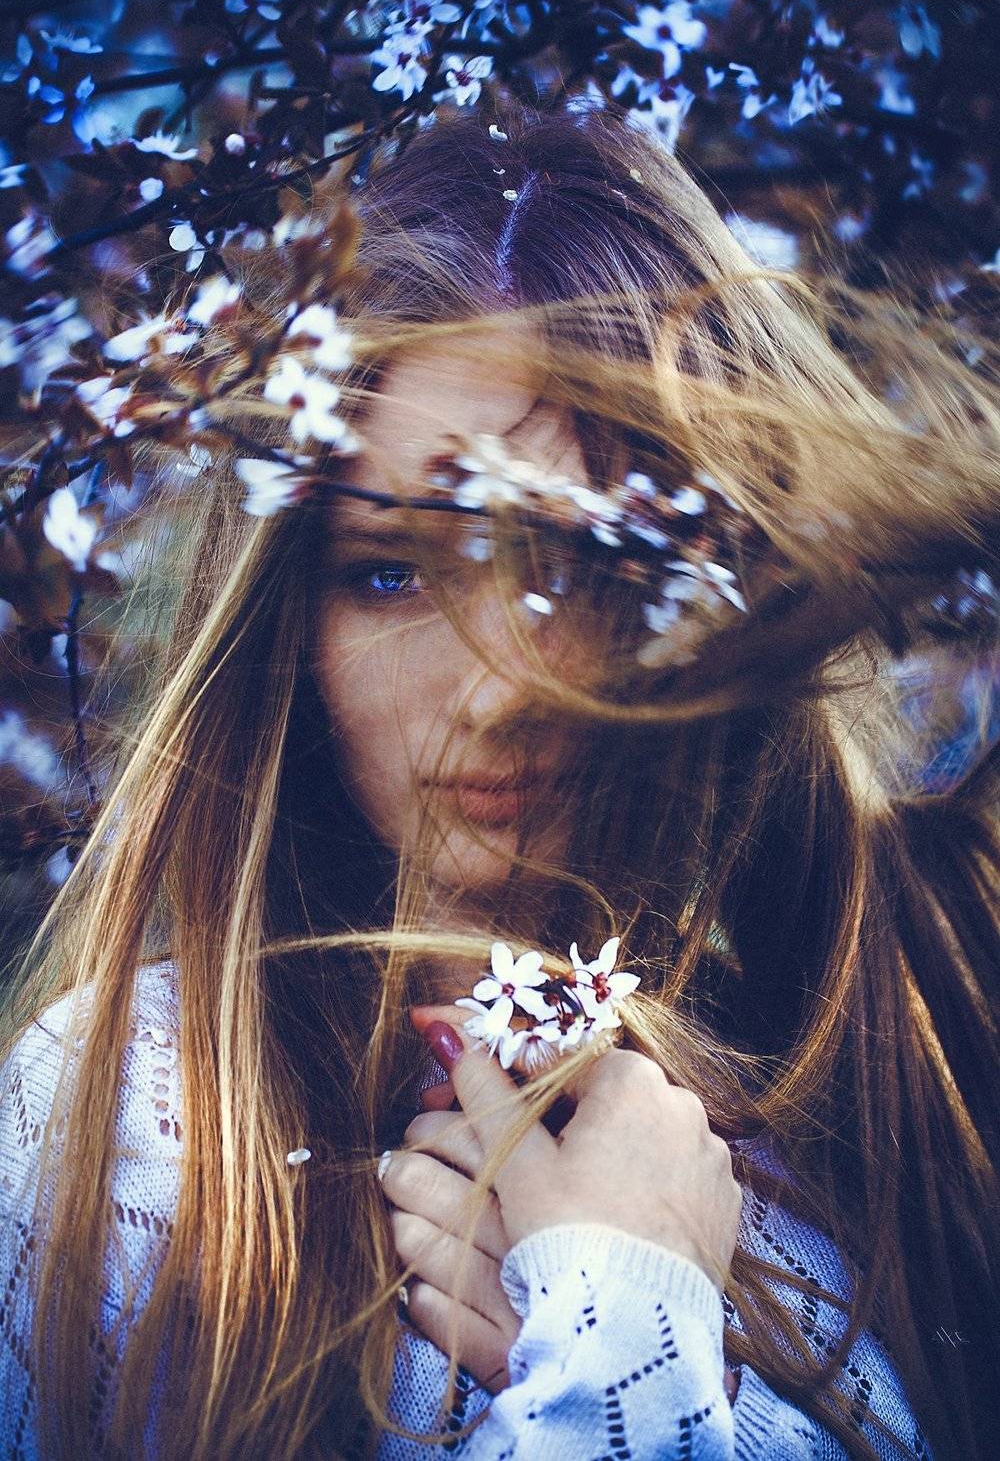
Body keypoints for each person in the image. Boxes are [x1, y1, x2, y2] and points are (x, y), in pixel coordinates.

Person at [1, 103, 997, 1460]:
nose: (496, 687)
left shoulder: (887, 1070)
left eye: (583, 567)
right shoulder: (138, 1136)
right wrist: (630, 1344)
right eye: (392, 572)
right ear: (287, 620)